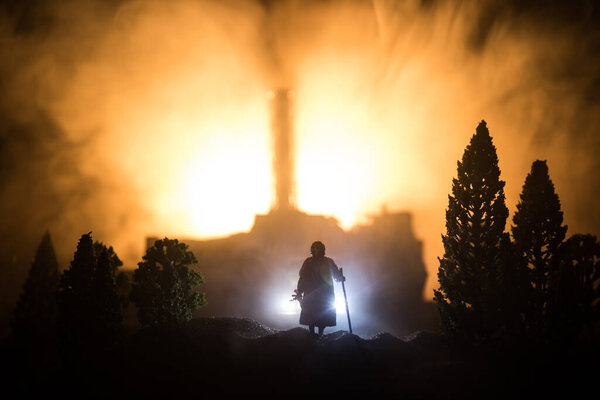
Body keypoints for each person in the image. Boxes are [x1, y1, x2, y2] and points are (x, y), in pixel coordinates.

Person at [295, 241, 344, 336]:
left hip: (324, 294)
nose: (316, 250)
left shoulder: (328, 261)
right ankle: (312, 334)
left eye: (318, 247)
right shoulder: (308, 262)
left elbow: (335, 274)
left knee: (323, 315)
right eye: (314, 247)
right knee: (310, 315)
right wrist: (300, 291)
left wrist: (340, 277)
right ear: (312, 249)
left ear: (322, 249)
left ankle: (320, 334)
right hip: (311, 292)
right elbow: (303, 277)